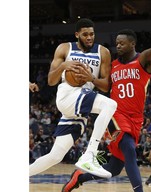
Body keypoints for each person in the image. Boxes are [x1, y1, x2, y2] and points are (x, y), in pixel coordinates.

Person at [62, 17, 151, 192]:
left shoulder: (143, 60)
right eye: (116, 43)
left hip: (135, 120)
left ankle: (80, 177)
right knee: (130, 152)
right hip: (116, 116)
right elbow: (105, 86)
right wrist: (91, 78)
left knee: (114, 169)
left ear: (132, 44)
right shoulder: (114, 65)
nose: (118, 46)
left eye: (122, 43)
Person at [29, 18, 117, 178]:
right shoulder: (64, 48)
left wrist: (92, 78)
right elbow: (51, 81)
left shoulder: (103, 52)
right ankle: (90, 155)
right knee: (110, 105)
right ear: (77, 34)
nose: (89, 37)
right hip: (68, 94)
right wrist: (63, 66)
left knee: (55, 156)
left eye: (92, 34)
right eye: (85, 34)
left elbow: (106, 86)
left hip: (81, 103)